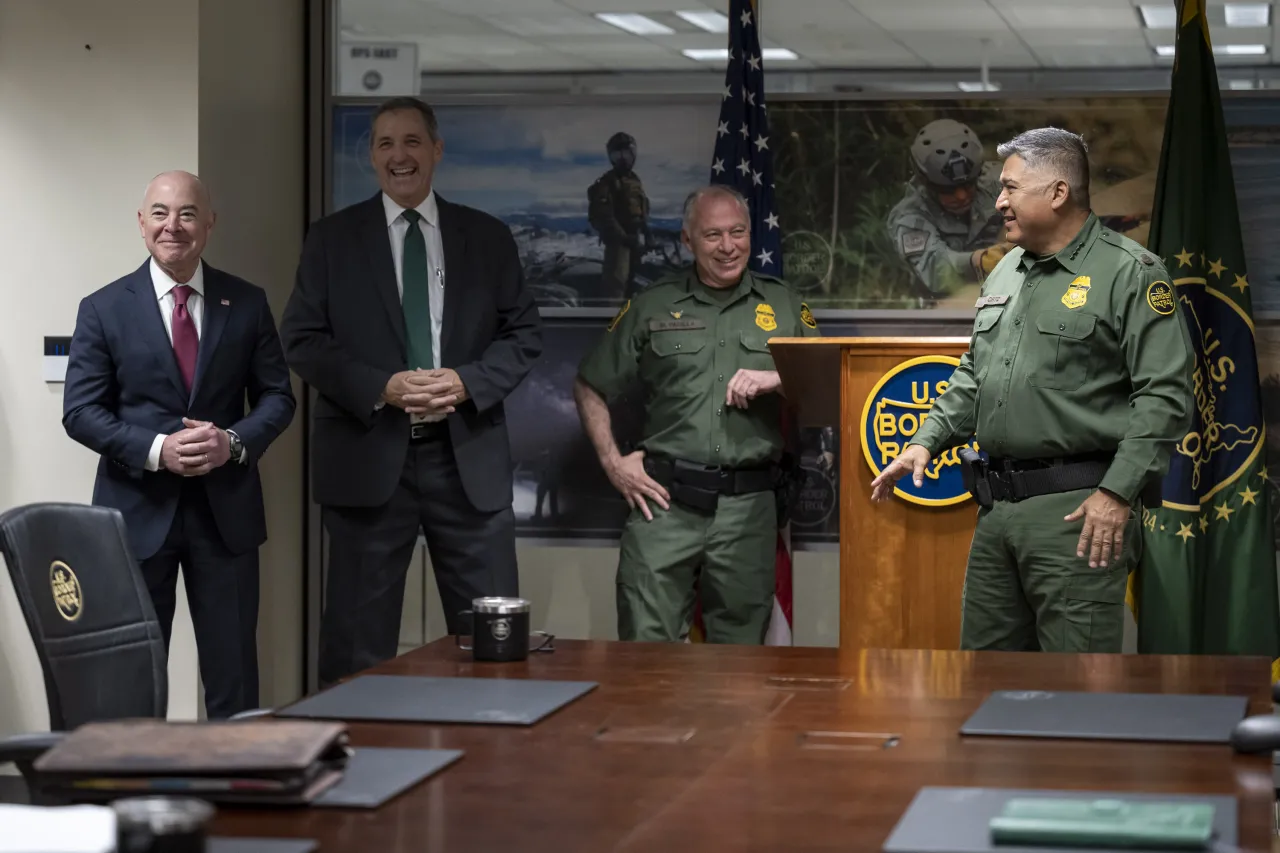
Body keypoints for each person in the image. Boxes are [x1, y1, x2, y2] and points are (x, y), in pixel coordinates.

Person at [871, 127, 1194, 654]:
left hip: (1079, 513)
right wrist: (924, 442)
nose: (998, 202)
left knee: (1074, 694)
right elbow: (973, 374)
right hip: (996, 513)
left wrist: (1116, 494)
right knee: (986, 682)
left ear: (1058, 193)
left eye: (1011, 188)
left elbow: (1165, 399)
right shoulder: (1005, 274)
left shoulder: (1129, 273)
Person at [280, 96, 542, 686]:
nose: (400, 156)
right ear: (371, 157)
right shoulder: (331, 240)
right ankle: (357, 768)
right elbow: (301, 340)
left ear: (437, 150)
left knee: (494, 641)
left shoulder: (488, 236)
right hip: (369, 464)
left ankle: (496, 765)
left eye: (412, 142)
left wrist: (465, 381)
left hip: (466, 462)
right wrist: (383, 387)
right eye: (385, 144)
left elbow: (523, 334)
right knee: (357, 645)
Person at [62, 171, 296, 717]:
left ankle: (236, 792)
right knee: (135, 675)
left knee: (233, 674)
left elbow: (279, 398)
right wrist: (156, 449)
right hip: (137, 514)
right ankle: (139, 794)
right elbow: (79, 412)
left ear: (209, 225)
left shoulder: (248, 301)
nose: (174, 225)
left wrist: (234, 441)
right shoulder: (103, 308)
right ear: (141, 224)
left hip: (227, 516)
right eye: (161, 213)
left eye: (188, 213)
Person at [574, 185, 820, 644]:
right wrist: (613, 462)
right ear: (687, 241)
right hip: (663, 503)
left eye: (738, 232)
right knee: (645, 654)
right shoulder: (651, 304)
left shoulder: (784, 304)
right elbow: (590, 383)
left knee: (743, 666)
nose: (728, 247)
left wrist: (776, 378)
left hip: (748, 510)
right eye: (712, 235)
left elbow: (826, 388)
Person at [885, 118, 1010, 298]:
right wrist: (979, 261)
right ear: (927, 184)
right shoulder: (910, 215)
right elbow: (935, 269)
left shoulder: (998, 182)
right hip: (945, 309)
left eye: (968, 185)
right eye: (948, 189)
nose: (961, 196)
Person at [588, 131, 651, 300]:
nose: (623, 159)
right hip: (618, 245)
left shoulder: (635, 180)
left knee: (636, 286)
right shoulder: (607, 182)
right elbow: (603, 216)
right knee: (616, 287)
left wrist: (647, 233)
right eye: (618, 155)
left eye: (627, 154)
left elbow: (640, 210)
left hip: (634, 240)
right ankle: (611, 323)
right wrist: (623, 238)